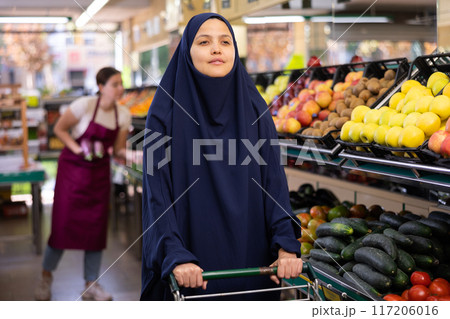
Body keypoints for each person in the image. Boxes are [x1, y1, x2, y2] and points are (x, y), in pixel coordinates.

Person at [141, 13, 303, 301]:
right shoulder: (162, 115)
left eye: (225, 42)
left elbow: (274, 185)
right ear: (186, 51)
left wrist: (285, 245)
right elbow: (157, 196)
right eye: (204, 42)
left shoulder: (256, 111)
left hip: (254, 268)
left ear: (235, 51)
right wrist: (175, 254)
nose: (217, 49)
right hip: (190, 270)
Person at [34, 67, 131, 301]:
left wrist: (135, 157)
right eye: (115, 84)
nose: (121, 89)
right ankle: (45, 278)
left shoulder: (123, 114)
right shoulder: (84, 106)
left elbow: (118, 149)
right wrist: (78, 148)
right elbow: (59, 128)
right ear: (101, 86)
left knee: (96, 231)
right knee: (61, 228)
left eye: (121, 84)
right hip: (72, 175)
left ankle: (91, 284)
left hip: (98, 177)